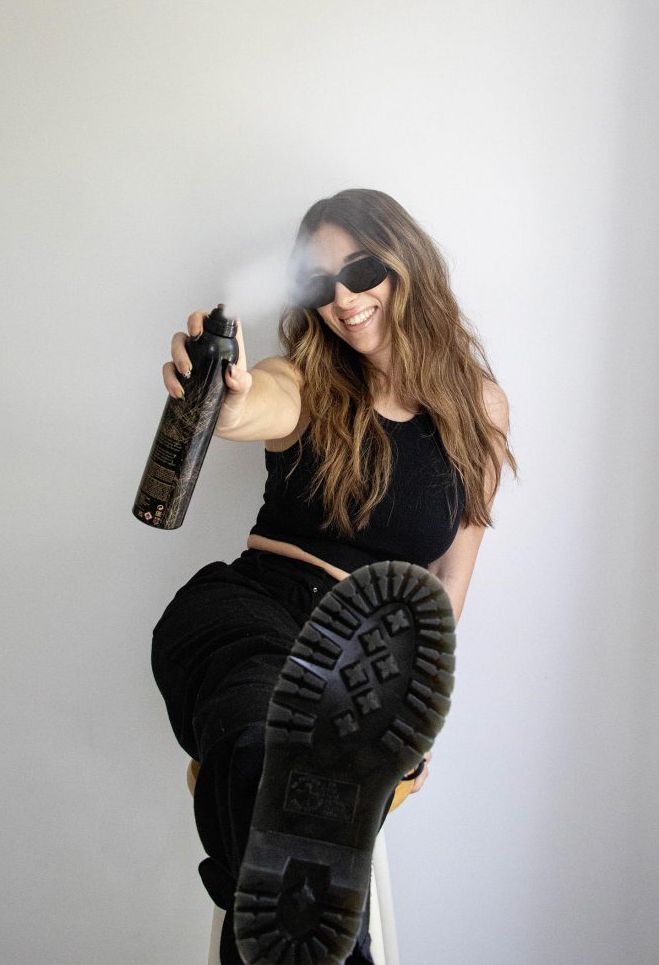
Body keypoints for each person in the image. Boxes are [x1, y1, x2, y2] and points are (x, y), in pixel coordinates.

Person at [150, 188, 516, 964]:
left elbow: (449, 576)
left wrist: (420, 708)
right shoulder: (303, 379)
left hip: (368, 656)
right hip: (250, 615)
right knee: (269, 744)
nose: (343, 300)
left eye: (361, 270)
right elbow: (257, 406)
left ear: (406, 263)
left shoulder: (478, 408)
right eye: (320, 283)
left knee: (304, 785)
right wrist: (224, 395)